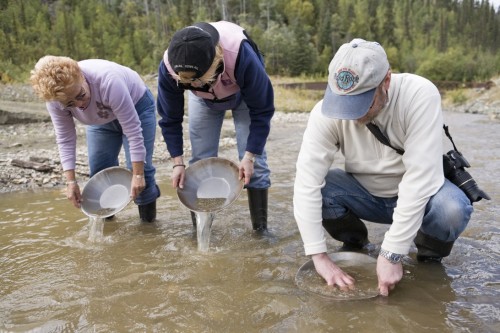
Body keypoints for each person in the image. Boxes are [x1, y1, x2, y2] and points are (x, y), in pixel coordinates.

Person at [293, 39, 473, 296]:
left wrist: (391, 254)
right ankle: (356, 244)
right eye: (344, 104)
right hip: (364, 194)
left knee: (452, 208)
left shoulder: (420, 94)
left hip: (423, 196)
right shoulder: (323, 112)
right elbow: (306, 183)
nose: (352, 115)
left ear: (386, 81)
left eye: (361, 103)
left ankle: (428, 261)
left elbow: (421, 178)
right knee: (322, 190)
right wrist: (319, 256)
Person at [157, 21, 275, 232]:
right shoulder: (169, 67)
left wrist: (249, 156)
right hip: (204, 101)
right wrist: (177, 162)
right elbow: (169, 118)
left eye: (199, 82)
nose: (193, 86)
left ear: (216, 62)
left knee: (254, 167)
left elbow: (263, 111)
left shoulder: (241, 54)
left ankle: (261, 232)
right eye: (187, 84)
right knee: (200, 162)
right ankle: (202, 234)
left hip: (244, 94)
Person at [30, 56, 161, 222]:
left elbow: (133, 131)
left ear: (82, 76)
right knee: (99, 172)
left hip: (137, 106)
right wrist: (71, 182)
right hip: (100, 120)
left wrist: (138, 174)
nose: (79, 105)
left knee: (140, 171)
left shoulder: (108, 81)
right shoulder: (56, 100)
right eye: (70, 104)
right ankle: (107, 226)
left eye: (80, 95)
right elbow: (65, 138)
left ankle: (148, 228)